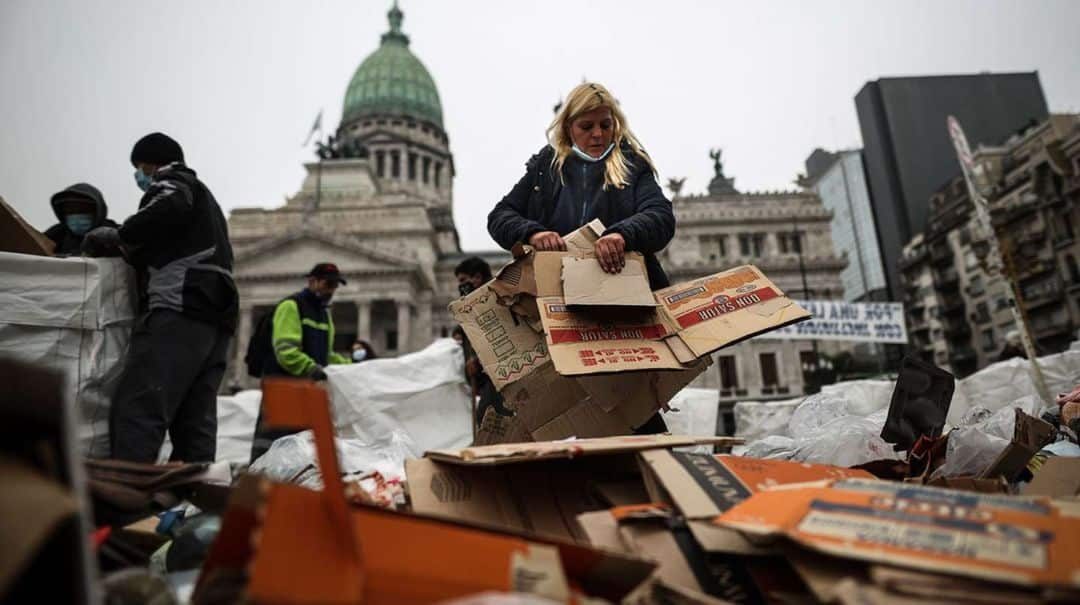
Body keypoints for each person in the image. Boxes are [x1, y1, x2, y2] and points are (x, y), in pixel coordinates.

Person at [487, 81, 676, 433]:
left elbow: (661, 216)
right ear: (568, 127)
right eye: (587, 126)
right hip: (561, 309)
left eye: (606, 125)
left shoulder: (631, 165)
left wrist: (621, 234)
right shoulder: (546, 169)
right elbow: (499, 216)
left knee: (631, 407)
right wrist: (532, 232)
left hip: (622, 310)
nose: (598, 135)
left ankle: (650, 475)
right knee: (570, 406)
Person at [82, 132, 237, 463]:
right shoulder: (210, 204)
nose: (138, 176)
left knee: (139, 408)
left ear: (151, 163)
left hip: (179, 309)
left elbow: (167, 208)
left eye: (139, 167)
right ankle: (193, 503)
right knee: (194, 422)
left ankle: (127, 503)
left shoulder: (172, 182)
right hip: (215, 320)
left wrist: (120, 235)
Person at [249, 263, 353, 462]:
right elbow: (286, 351)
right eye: (328, 284)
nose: (331, 290)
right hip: (282, 388)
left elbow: (326, 356)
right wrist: (312, 369)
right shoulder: (291, 306)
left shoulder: (324, 315)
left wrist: (351, 366)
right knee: (273, 449)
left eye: (335, 286)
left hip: (306, 391)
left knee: (301, 453)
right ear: (312, 281)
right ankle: (259, 489)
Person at [454, 257, 507, 425]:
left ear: (477, 278)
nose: (460, 286)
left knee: (488, 419)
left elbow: (502, 335)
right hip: (488, 378)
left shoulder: (493, 298)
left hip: (502, 377)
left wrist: (477, 360)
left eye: (463, 280)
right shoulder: (471, 305)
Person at [44, 183, 117, 256]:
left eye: (83, 209)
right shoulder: (57, 234)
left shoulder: (113, 234)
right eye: (70, 211)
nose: (76, 214)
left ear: (98, 211)